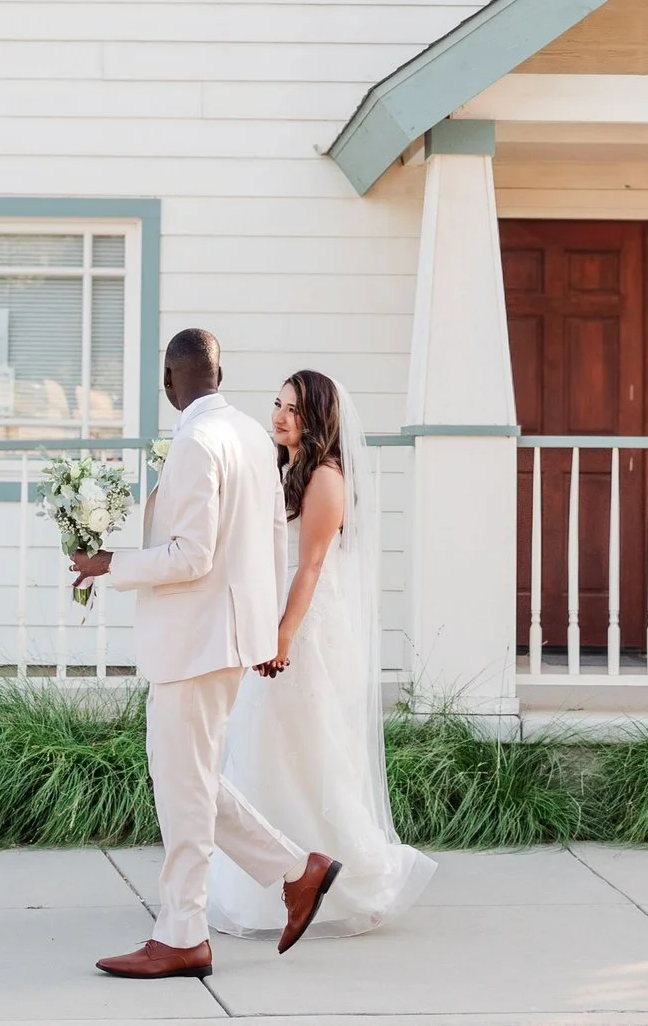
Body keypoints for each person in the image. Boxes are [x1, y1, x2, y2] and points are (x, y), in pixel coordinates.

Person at [69, 328, 341, 979]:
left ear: (170, 378)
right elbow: (271, 536)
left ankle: (183, 933)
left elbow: (191, 554)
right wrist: (260, 626)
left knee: (181, 784)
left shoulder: (195, 440)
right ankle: (296, 870)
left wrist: (111, 562)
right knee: (185, 774)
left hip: (194, 640)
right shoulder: (249, 432)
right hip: (228, 634)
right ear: (218, 372)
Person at [208, 369, 434, 940]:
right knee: (268, 746)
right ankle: (281, 879)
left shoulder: (327, 478)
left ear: (317, 418)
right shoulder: (286, 468)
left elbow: (309, 567)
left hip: (306, 630)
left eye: (293, 409)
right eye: (277, 404)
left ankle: (356, 877)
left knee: (311, 749)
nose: (279, 416)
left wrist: (282, 637)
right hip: (282, 621)